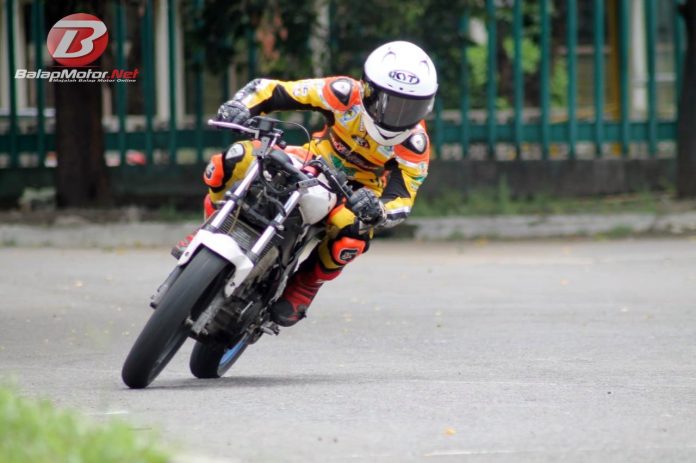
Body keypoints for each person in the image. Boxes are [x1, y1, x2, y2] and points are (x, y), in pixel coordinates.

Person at [197, 40, 437, 327]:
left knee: (355, 232)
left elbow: (403, 198)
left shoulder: (415, 143)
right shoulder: (342, 92)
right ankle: (210, 228)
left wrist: (379, 209)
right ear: (367, 88)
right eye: (390, 103)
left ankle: (306, 285)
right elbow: (273, 90)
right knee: (234, 158)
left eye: (410, 108)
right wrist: (240, 105)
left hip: (360, 191)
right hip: (312, 157)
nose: (397, 116)